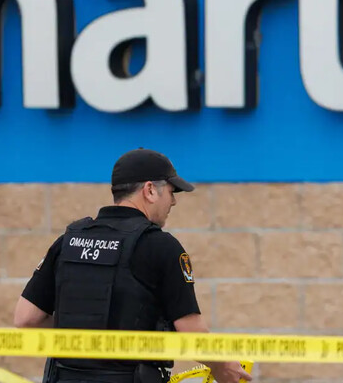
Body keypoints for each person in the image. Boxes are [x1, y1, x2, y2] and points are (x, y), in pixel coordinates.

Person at [13, 148, 252, 383]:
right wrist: (223, 367)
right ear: (149, 190)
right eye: (171, 191)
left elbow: (25, 319)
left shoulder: (68, 241)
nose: (174, 201)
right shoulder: (160, 246)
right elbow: (191, 332)